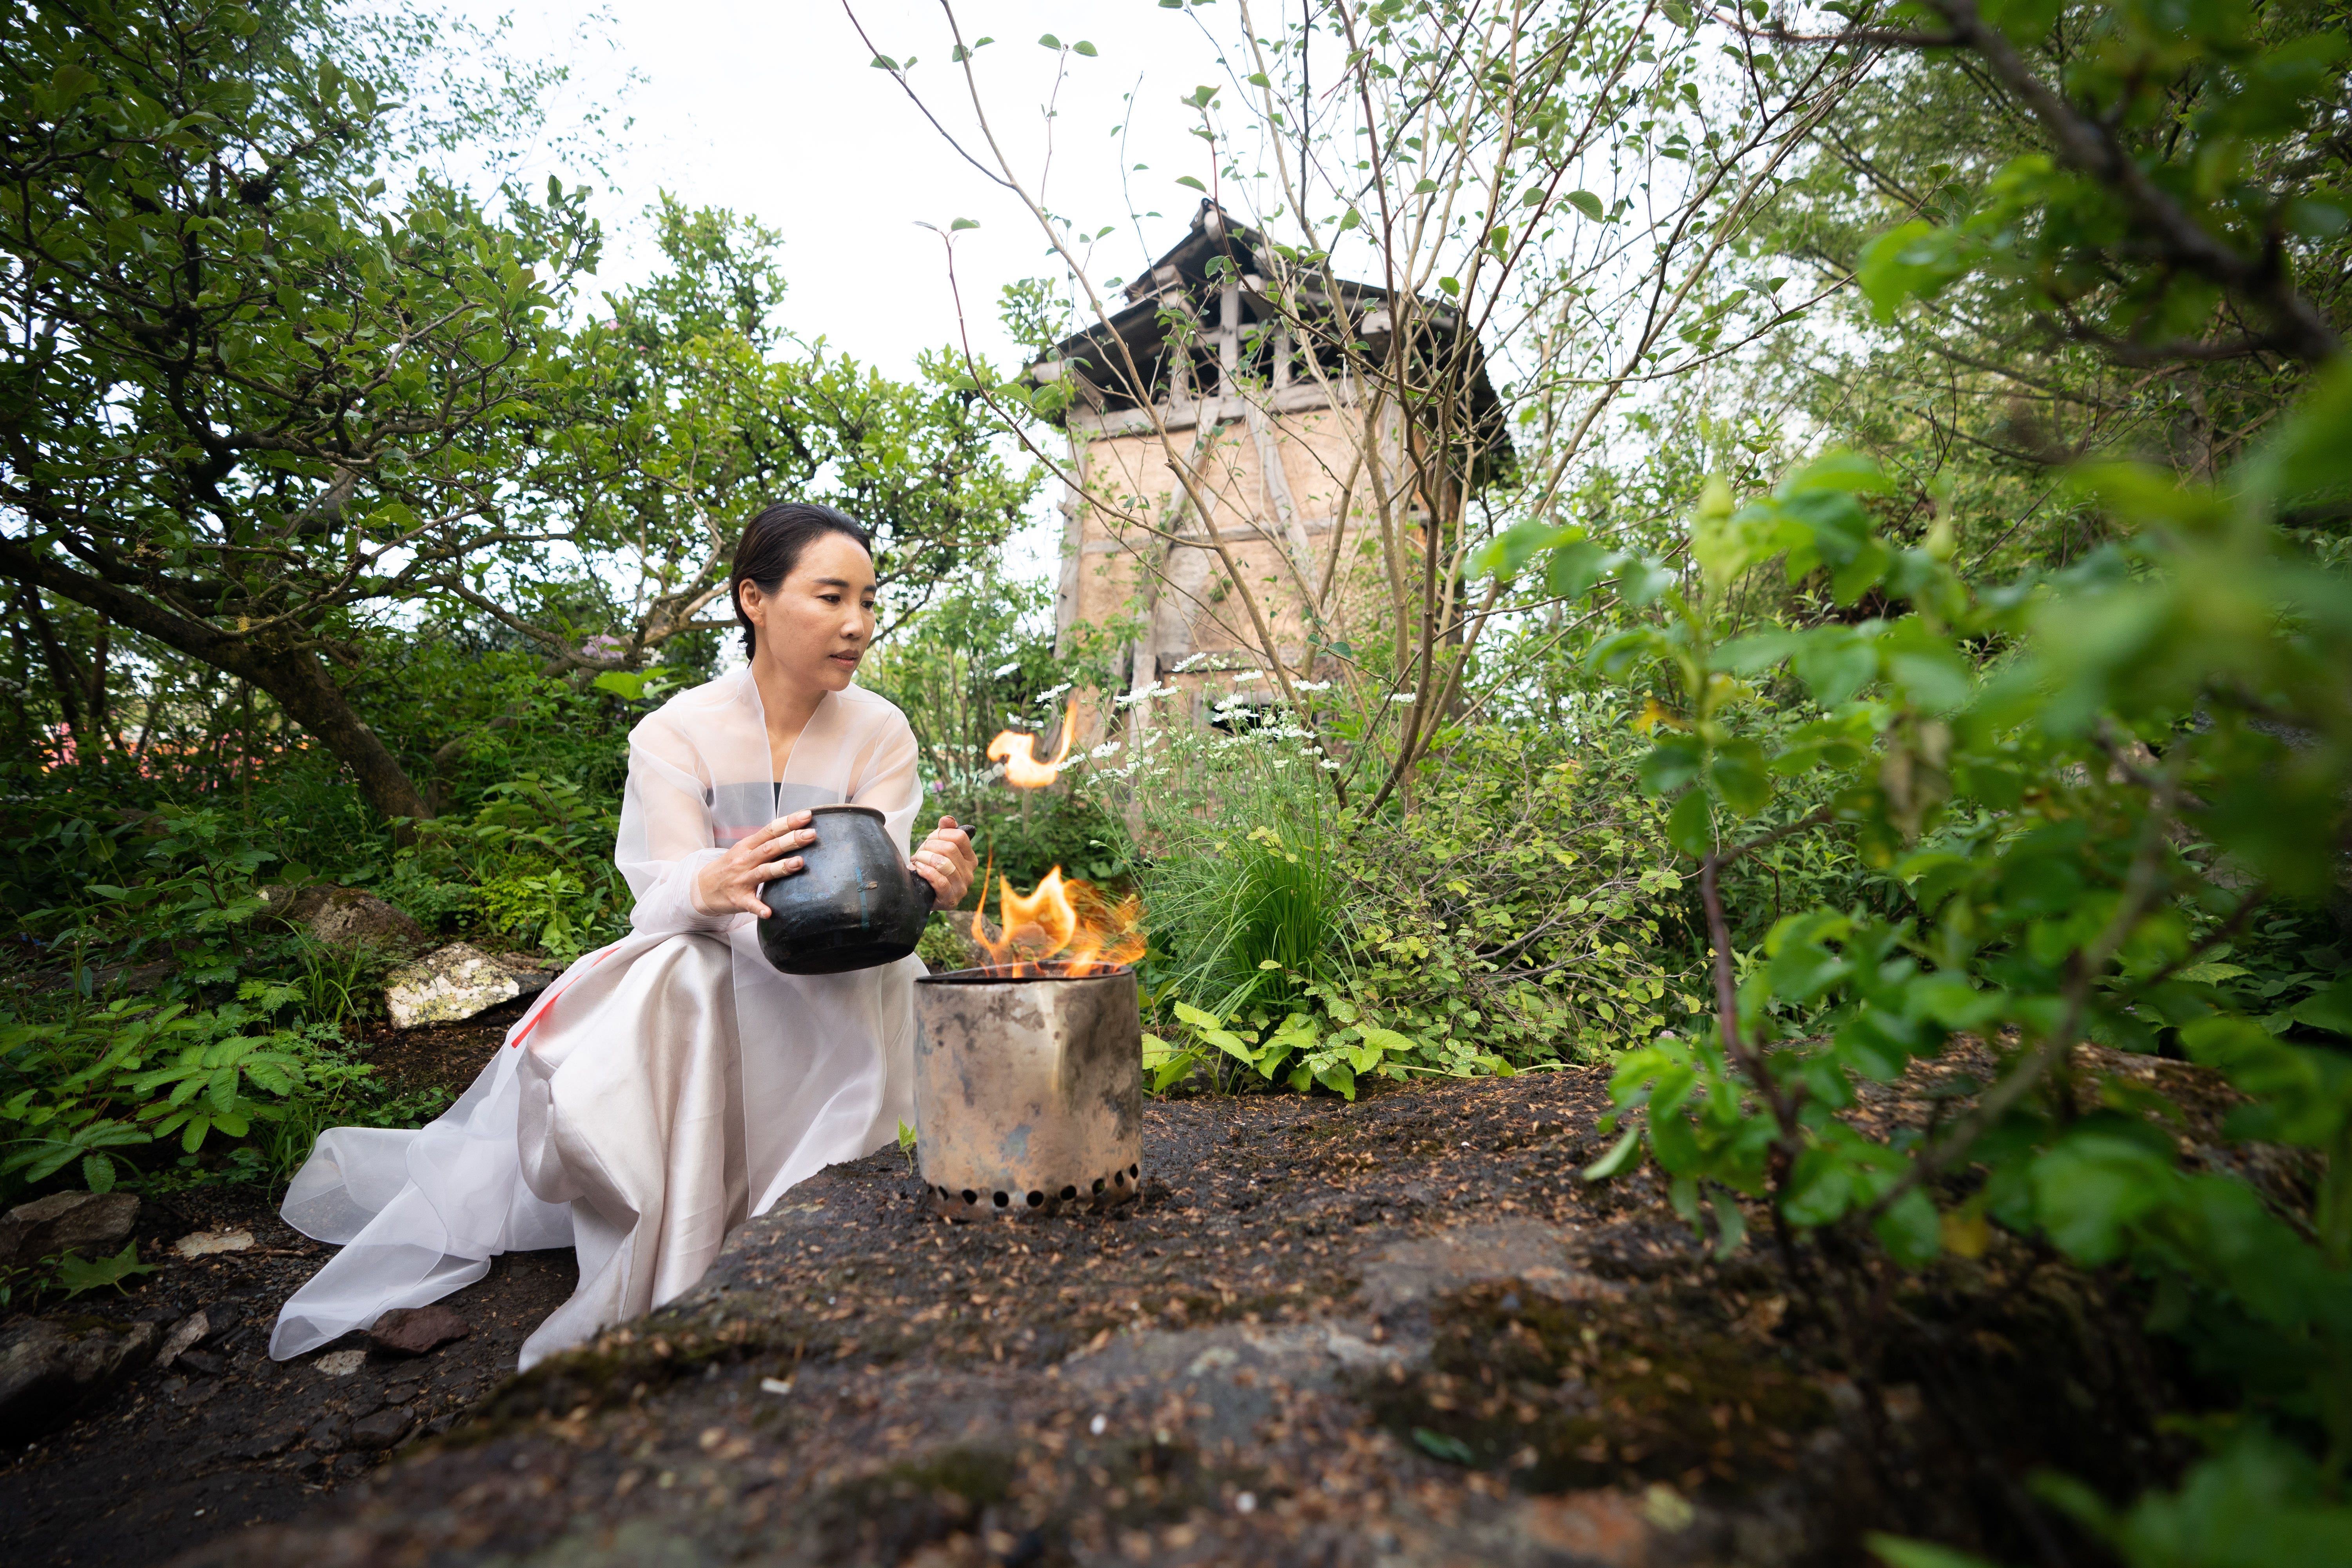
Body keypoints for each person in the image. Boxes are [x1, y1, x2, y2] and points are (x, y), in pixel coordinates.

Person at [269, 502, 978, 1368]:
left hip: (840, 961)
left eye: (869, 601)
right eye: (832, 597)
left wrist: (929, 884)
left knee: (887, 975)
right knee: (678, 976)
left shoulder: (881, 729)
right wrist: (710, 881)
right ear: (753, 598)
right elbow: (664, 882)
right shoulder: (676, 730)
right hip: (707, 944)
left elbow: (871, 889)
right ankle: (686, 1235)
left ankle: (823, 1237)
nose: (858, 624)